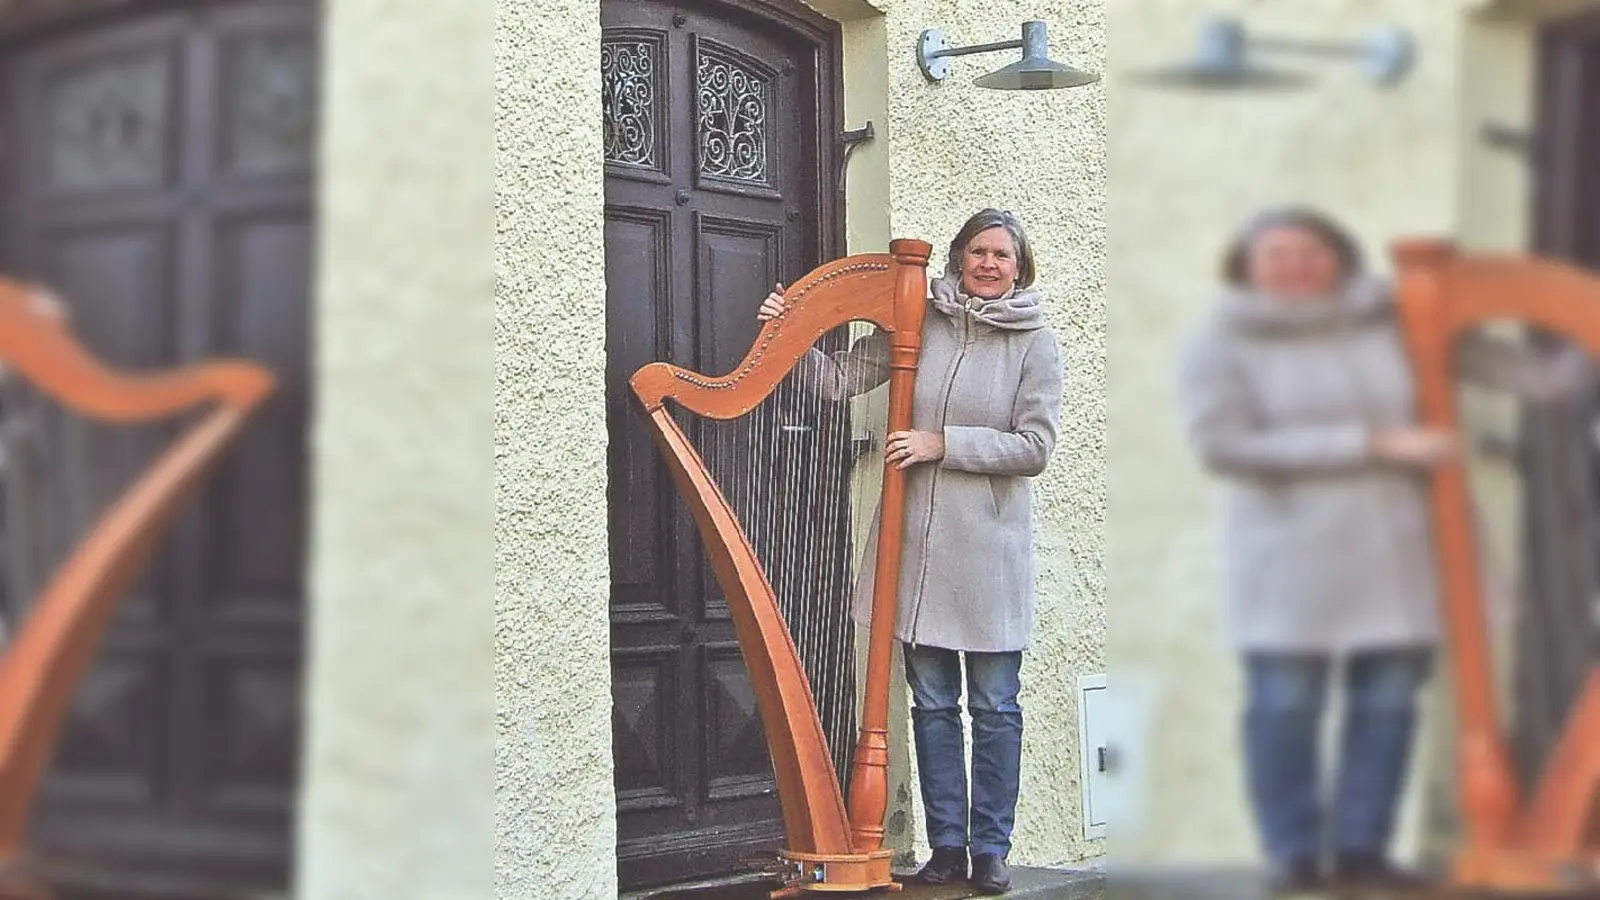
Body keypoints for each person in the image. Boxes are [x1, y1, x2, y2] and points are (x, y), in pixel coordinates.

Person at [1176, 207, 1587, 895]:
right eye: (1277, 255)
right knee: (1286, 703)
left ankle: (1364, 848)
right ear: (1246, 266)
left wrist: (1568, 353)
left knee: (1389, 701)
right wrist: (1371, 444)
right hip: (1291, 557)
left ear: (1340, 256)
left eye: (1310, 251)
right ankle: (1294, 852)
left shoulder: (1395, 317)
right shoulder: (1222, 342)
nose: (1295, 266)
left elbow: (1539, 380)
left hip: (1396, 553)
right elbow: (1223, 444)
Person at [757, 209, 1064, 895]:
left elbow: (1035, 447)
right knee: (930, 702)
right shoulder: (915, 319)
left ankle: (991, 850)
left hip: (988, 552)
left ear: (1020, 267)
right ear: (957, 259)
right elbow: (836, 381)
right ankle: (946, 849)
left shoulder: (1036, 344)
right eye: (977, 252)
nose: (988, 264)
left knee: (994, 704)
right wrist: (785, 328)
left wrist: (943, 443)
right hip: (917, 544)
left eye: (1001, 255)